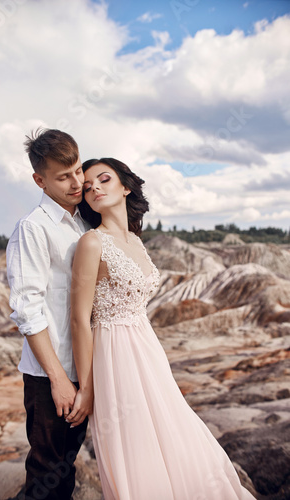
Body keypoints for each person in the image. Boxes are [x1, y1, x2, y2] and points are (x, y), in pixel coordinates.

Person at [67, 158, 256, 500]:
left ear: (126, 187)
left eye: (104, 179)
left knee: (176, 435)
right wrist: (88, 387)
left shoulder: (137, 243)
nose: (93, 187)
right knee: (137, 450)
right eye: (88, 185)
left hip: (148, 351)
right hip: (114, 357)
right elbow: (80, 319)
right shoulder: (91, 243)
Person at [6, 128, 91, 500]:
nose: (76, 182)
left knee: (65, 469)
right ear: (39, 180)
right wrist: (58, 378)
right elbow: (27, 309)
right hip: (49, 377)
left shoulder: (85, 221)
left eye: (77, 170)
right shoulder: (33, 229)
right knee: (47, 473)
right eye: (63, 176)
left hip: (84, 369)